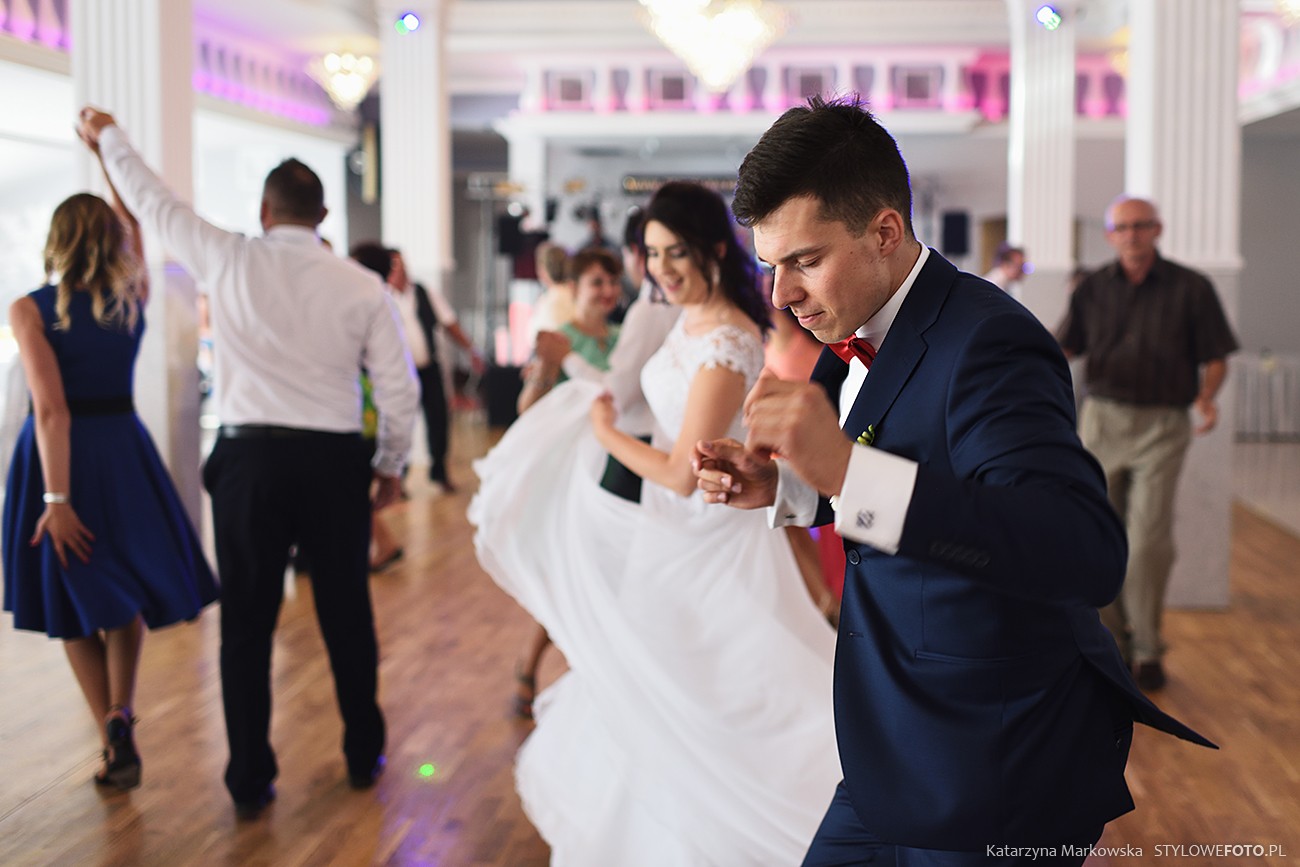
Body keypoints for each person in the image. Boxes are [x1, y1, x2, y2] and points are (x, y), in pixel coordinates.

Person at [693, 95, 1214, 865]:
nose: (781, 294)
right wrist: (790, 487)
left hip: (998, 760)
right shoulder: (857, 328)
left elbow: (1082, 549)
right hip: (896, 743)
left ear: (884, 232)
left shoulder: (989, 340)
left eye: (804, 260)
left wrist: (844, 468)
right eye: (771, 266)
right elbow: (910, 470)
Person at [470, 181, 839, 864]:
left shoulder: (728, 336)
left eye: (676, 252)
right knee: (654, 689)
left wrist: (604, 431)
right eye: (652, 252)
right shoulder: (685, 318)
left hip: (708, 539)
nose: (662, 268)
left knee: (715, 688)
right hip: (666, 536)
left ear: (713, 249)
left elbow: (678, 471)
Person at [76, 106, 419, 819]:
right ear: (323, 216)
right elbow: (399, 388)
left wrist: (109, 137)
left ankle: (249, 776)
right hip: (332, 463)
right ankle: (363, 753)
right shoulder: (363, 286)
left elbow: (151, 201)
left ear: (265, 211)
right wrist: (389, 466)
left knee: (247, 625)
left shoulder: (228, 255)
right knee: (347, 614)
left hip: (249, 463)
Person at [2, 183, 218, 791]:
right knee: (123, 592)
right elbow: (136, 229)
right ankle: (121, 710)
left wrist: (57, 500)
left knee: (69, 596)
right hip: (123, 454)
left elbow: (52, 412)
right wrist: (105, 157)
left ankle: (110, 733)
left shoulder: (30, 310)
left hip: (59, 464)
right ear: (113, 241)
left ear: (56, 240)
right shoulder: (131, 300)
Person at [1057, 196, 1239, 692]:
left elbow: (1216, 355)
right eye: (1123, 227)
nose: (1132, 235)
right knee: (1099, 535)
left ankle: (1148, 649)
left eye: (1141, 226)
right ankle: (1112, 645)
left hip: (1163, 425)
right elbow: (1064, 346)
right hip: (1102, 422)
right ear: (1110, 235)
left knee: (1147, 541)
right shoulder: (1092, 288)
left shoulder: (1191, 287)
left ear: (1157, 230)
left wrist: (1206, 398)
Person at [510, 246, 624, 720]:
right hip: (572, 473)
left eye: (612, 282)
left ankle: (585, 675)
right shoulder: (559, 339)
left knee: (604, 576)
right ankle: (531, 663)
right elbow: (527, 408)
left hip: (619, 467)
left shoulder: (624, 336)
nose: (608, 291)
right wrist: (547, 369)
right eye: (597, 282)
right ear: (574, 288)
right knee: (571, 575)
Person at [386, 247, 483, 493]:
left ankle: (439, 473)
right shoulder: (382, 296)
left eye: (401, 264)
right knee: (400, 425)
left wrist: (470, 350)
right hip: (399, 373)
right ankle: (399, 477)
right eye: (393, 265)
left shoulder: (424, 292)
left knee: (439, 419)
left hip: (428, 369)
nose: (399, 270)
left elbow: (449, 323)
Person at [347, 242, 410, 571]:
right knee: (354, 490)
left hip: (365, 411)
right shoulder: (382, 301)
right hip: (368, 412)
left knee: (353, 490)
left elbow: (396, 383)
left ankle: (384, 545)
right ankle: (383, 544)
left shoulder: (372, 302)